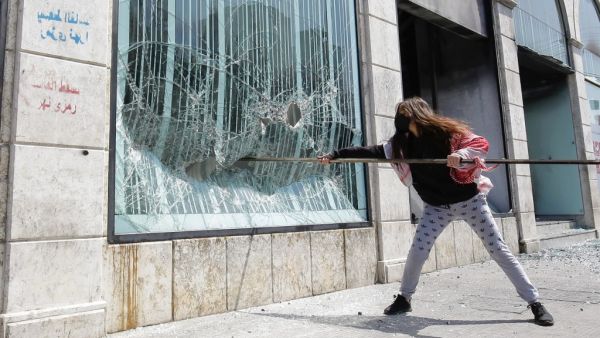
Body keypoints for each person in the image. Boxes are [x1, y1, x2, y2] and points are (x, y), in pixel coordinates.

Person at [318, 97, 554, 326]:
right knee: (417, 251)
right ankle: (404, 299)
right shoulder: (399, 145)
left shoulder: (447, 135)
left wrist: (460, 155)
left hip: (469, 201)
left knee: (498, 250)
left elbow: (480, 144)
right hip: (435, 208)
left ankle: (535, 302)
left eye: (404, 113)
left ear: (416, 114)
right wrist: (335, 155)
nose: (399, 118)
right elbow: (368, 151)